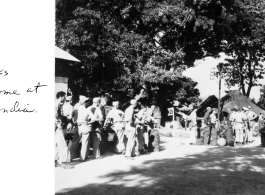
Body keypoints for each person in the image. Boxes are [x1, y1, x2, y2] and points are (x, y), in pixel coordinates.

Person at [75, 96, 95, 161]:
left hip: (77, 126)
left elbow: (69, 117)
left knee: (74, 142)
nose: (87, 103)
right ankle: (82, 157)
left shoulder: (76, 109)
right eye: (86, 102)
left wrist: (73, 122)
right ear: (84, 103)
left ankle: (71, 157)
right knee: (84, 143)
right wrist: (89, 122)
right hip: (85, 126)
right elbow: (93, 118)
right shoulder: (87, 110)